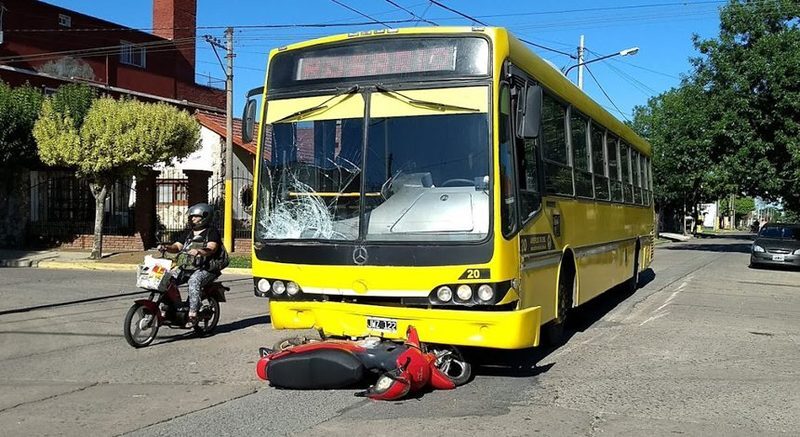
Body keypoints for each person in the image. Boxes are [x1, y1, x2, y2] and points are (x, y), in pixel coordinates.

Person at [158, 202, 223, 325]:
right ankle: (169, 307)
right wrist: (166, 247)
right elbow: (177, 246)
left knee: (194, 280)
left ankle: (193, 312)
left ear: (205, 217)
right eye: (191, 216)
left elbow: (212, 248)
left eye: (195, 216)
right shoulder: (189, 233)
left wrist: (199, 251)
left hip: (207, 268)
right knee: (167, 278)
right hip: (188, 266)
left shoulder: (211, 232)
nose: (192, 218)